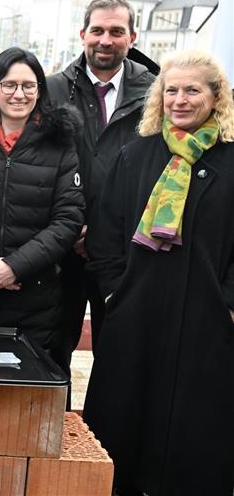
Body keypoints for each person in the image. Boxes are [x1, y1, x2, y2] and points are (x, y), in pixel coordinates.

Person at [83, 50, 234, 496]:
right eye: (172, 90)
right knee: (124, 429)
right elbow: (105, 234)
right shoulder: (135, 156)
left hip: (207, 321)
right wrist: (115, 294)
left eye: (192, 90)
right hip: (137, 315)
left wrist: (228, 304)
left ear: (216, 97)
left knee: (195, 435)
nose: (180, 100)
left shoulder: (231, 164)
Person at [47, 0, 156, 373]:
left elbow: (159, 172)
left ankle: (106, 432)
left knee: (119, 354)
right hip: (64, 246)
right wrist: (71, 228)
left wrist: (107, 232)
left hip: (124, 250)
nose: (105, 40)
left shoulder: (155, 94)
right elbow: (42, 165)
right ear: (83, 34)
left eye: (116, 31)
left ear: (133, 36)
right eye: (97, 30)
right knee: (54, 347)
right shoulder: (54, 90)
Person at [0, 47, 83, 368]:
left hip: (34, 297)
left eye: (28, 86)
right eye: (9, 85)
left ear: (39, 90)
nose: (19, 94)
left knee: (22, 394)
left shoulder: (59, 141)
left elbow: (67, 219)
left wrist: (15, 266)